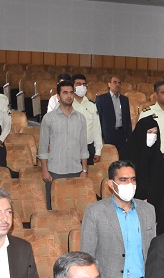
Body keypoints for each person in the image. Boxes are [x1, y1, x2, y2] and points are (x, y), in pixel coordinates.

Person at [81, 160, 156, 278]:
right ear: (111, 184)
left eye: (133, 179)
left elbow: (153, 251)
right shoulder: (95, 212)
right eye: (123, 180)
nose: (129, 184)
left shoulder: (148, 210)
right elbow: (87, 256)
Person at [38, 79, 88, 209]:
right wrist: (44, 170)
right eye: (65, 93)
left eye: (71, 92)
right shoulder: (49, 118)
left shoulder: (81, 118)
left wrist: (84, 170)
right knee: (54, 209)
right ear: (58, 96)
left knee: (75, 208)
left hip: (76, 170)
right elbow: (43, 147)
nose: (69, 96)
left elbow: (83, 147)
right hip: (55, 171)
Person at [119, 114, 164, 208]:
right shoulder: (128, 153)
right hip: (133, 202)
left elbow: (161, 183)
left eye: (155, 133)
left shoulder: (157, 154)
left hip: (155, 202)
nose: (153, 136)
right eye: (149, 132)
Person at [71, 73, 103, 165]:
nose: (82, 87)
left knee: (87, 173)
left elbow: (96, 129)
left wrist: (98, 151)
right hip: (70, 148)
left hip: (88, 148)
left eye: (84, 84)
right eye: (78, 84)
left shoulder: (92, 105)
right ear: (72, 86)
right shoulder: (65, 104)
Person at [96, 75, 132, 151]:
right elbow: (98, 119)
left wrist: (129, 136)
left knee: (122, 155)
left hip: (121, 133)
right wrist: (100, 137)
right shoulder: (101, 99)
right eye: (115, 82)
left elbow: (127, 119)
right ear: (109, 84)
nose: (117, 84)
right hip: (108, 134)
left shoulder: (124, 99)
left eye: (119, 83)